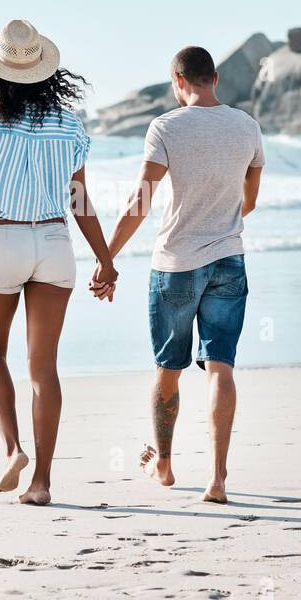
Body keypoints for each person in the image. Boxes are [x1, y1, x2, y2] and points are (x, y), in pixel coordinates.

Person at [0, 19, 118, 506]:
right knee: (43, 366)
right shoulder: (69, 126)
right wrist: (105, 260)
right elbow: (80, 199)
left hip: (2, 242)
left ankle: (12, 451)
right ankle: (42, 482)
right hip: (54, 243)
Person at [95, 46, 264, 503]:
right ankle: (218, 479)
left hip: (175, 265)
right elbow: (249, 200)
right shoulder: (246, 125)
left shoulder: (166, 126)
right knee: (220, 368)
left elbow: (141, 201)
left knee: (168, 370)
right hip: (229, 259)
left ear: (178, 79)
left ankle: (165, 466)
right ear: (215, 78)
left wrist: (107, 258)